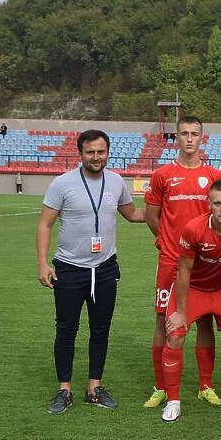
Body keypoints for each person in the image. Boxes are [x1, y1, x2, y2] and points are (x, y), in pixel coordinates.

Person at [36, 129, 145, 414]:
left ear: (108, 152)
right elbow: (45, 224)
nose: (96, 157)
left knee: (101, 330)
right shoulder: (63, 184)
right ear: (80, 153)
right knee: (66, 330)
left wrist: (167, 211)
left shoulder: (117, 181)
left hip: (106, 269)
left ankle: (94, 387)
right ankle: (64, 390)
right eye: (91, 152)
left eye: (101, 152)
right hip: (70, 269)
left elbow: (133, 214)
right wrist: (43, 263)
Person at [143, 116, 221, 409]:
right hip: (171, 260)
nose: (189, 139)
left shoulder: (214, 176)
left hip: (205, 262)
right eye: (184, 134)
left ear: (202, 138)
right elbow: (152, 215)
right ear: (176, 138)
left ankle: (206, 385)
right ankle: (161, 386)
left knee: (205, 319)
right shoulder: (162, 175)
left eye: (194, 134)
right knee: (162, 320)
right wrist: (164, 239)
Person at [159, 180, 221, 422]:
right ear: (209, 204)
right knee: (175, 333)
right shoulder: (194, 229)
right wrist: (180, 312)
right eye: (218, 204)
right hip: (192, 288)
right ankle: (173, 401)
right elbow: (183, 271)